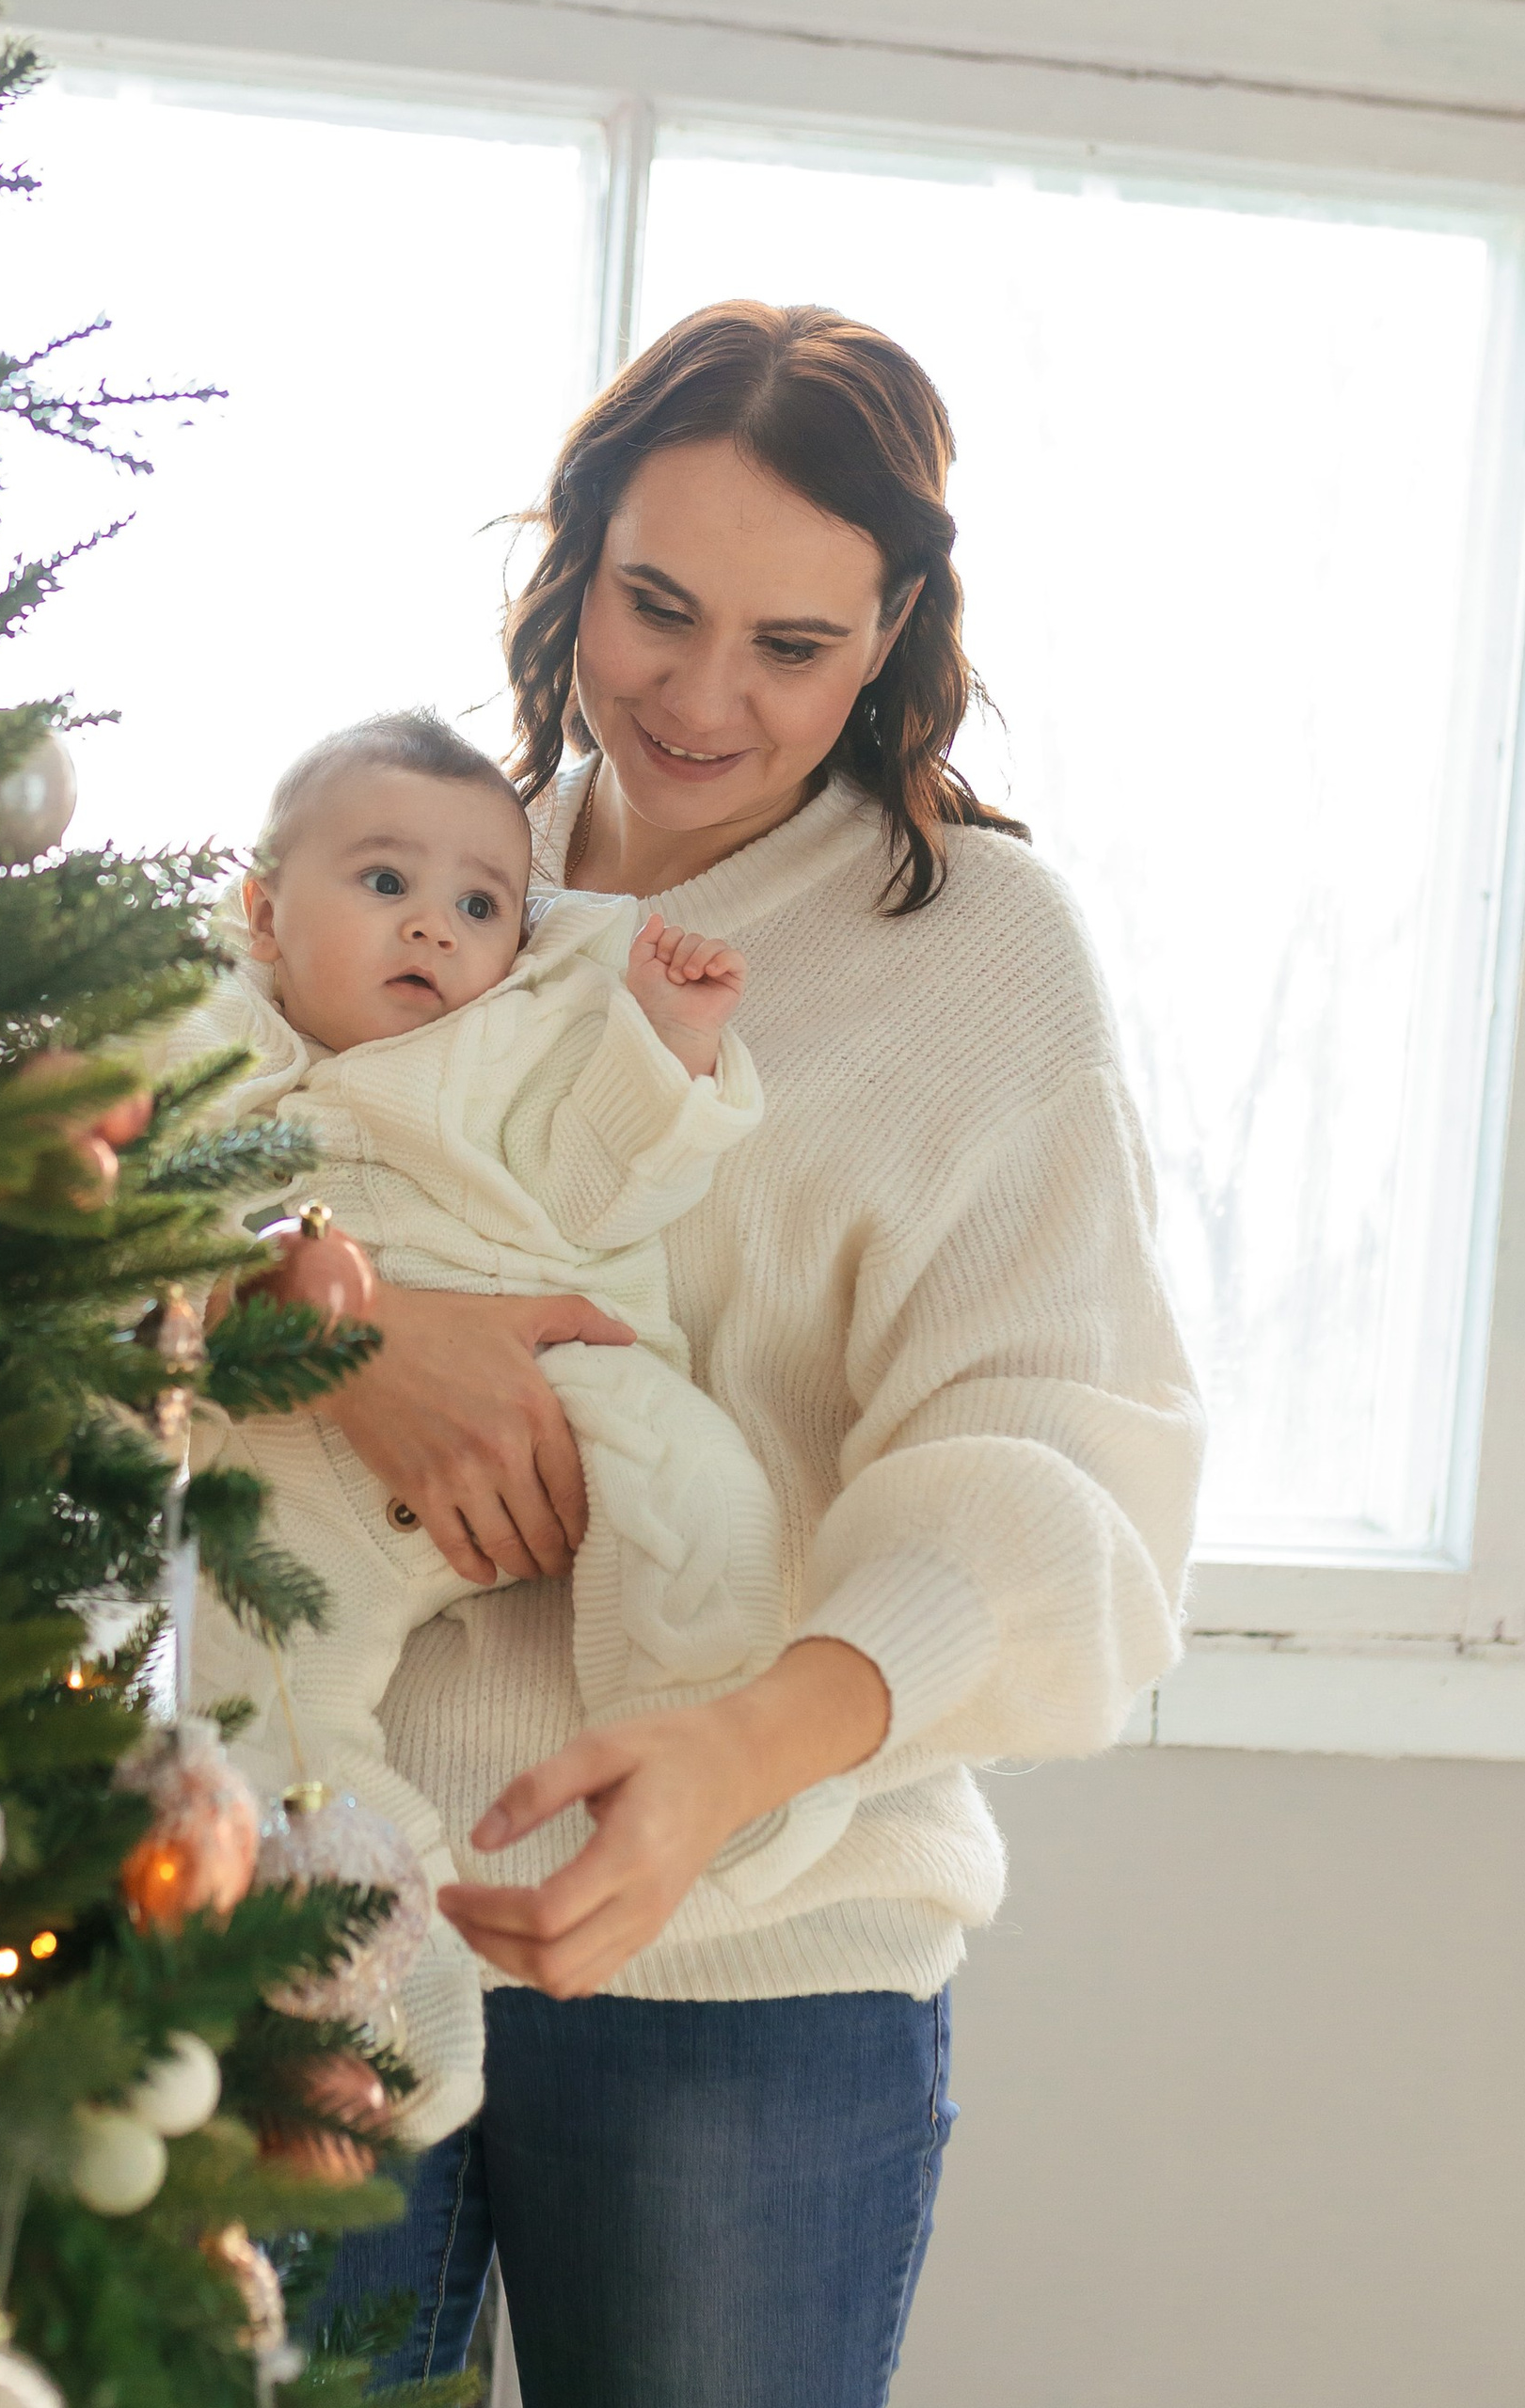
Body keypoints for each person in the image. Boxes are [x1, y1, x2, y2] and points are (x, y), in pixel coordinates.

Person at [303, 301, 1206, 2405]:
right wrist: (342, 1327)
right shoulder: (426, 862)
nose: (698, 696)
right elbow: (152, 1169)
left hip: (754, 1970)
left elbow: (1057, 1455)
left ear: (892, 626)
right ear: (571, 560)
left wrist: (722, 1757)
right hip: (320, 1904)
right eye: (653, 604)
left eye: (790, 647)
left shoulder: (979, 954)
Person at [166, 708, 860, 2142]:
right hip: (297, 1457)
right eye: (383, 885)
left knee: (697, 1490)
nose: (435, 928)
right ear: (262, 912)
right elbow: (125, 1205)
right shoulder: (215, 1036)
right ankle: (370, 2000)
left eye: (480, 904)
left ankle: (703, 1741)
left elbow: (605, 1190)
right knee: (261, 1711)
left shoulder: (518, 1040)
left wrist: (664, 1047)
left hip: (556, 1382)